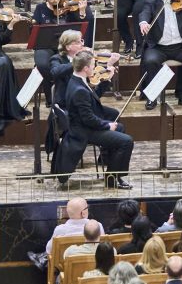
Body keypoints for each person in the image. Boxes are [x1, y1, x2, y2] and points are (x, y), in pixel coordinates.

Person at [57, 51, 133, 190]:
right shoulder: (79, 89)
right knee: (126, 141)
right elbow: (88, 119)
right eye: (92, 65)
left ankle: (113, 172)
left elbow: (93, 97)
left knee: (120, 128)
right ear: (85, 68)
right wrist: (107, 125)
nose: (94, 67)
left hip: (85, 126)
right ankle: (112, 179)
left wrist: (107, 79)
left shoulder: (77, 80)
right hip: (84, 131)